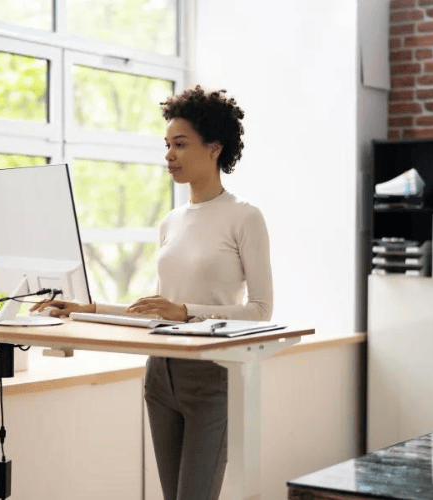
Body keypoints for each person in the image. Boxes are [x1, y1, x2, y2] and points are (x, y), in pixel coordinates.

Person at [31, 85, 273, 500]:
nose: (169, 155)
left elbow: (261, 311)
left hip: (210, 377)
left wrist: (186, 311)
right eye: (167, 145)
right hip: (159, 375)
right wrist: (85, 308)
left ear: (214, 148)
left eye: (180, 144)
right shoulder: (171, 222)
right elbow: (157, 313)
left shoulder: (244, 217)